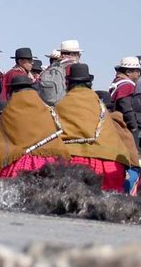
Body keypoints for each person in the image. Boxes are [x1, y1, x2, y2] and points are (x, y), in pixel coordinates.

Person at [56, 63, 132, 192]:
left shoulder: (63, 104)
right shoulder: (99, 105)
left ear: (68, 84)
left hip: (72, 165)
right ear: (89, 83)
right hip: (108, 165)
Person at [0, 75, 70, 177]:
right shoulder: (44, 109)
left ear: (12, 91)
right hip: (48, 164)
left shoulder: (10, 111)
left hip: (20, 168)